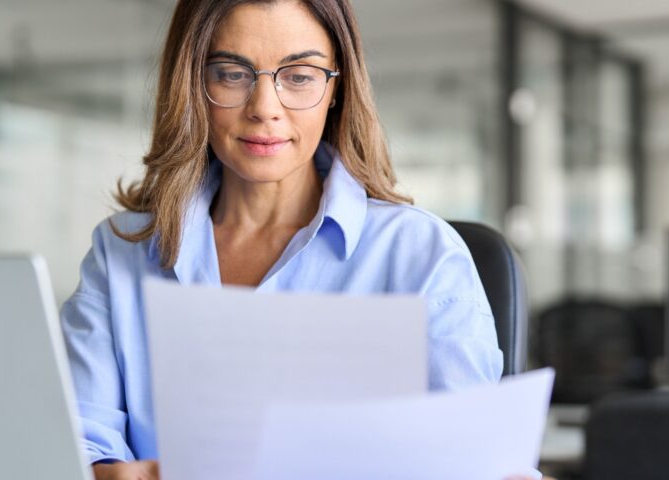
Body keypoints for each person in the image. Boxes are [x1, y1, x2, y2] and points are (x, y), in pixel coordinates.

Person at [60, 1, 509, 478]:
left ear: (336, 89)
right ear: (193, 83)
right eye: (232, 74)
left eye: (299, 76)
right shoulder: (122, 250)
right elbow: (77, 436)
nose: (264, 109)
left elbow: (471, 460)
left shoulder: (422, 258)